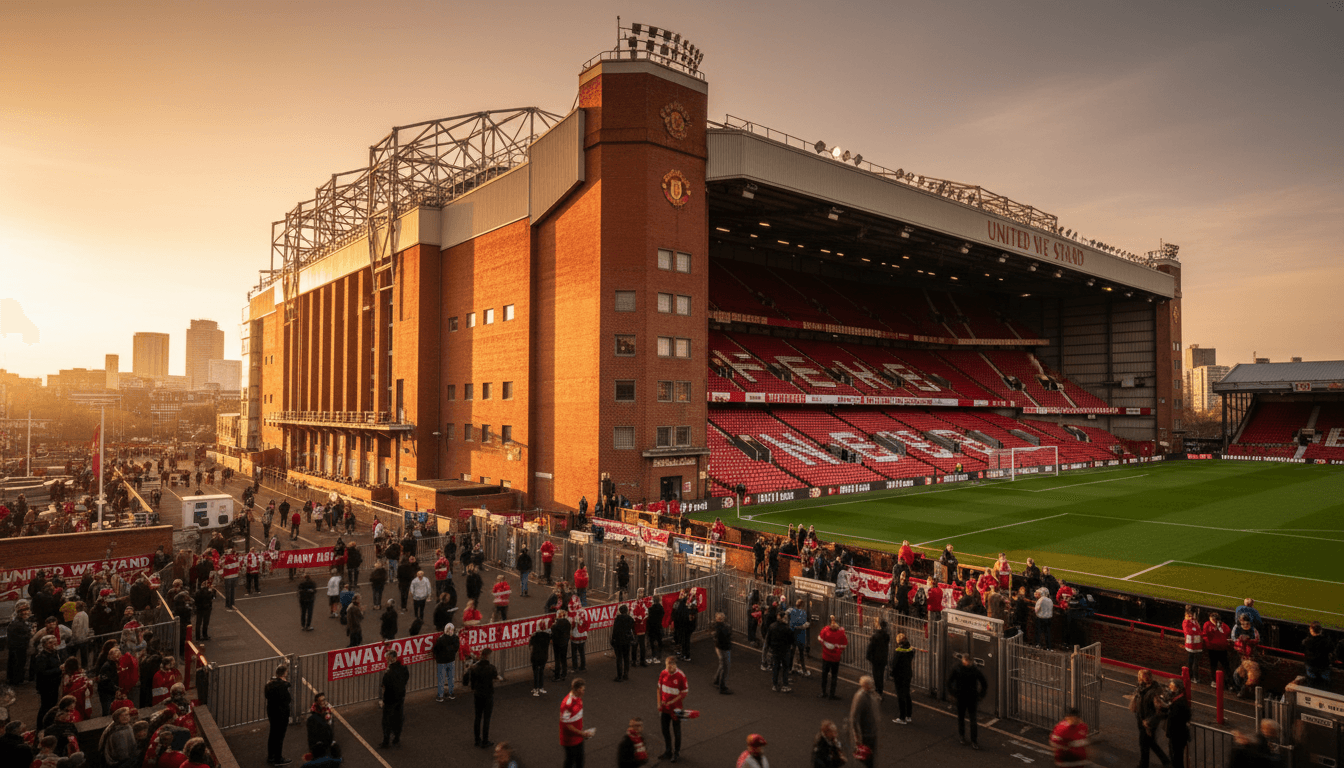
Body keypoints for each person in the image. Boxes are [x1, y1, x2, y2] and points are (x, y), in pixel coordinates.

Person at [947, 653, 988, 749]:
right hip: (971, 697)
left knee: (963, 718)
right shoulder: (974, 670)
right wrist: (980, 695)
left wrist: (953, 693)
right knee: (971, 719)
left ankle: (963, 737)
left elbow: (949, 681)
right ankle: (973, 740)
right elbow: (984, 684)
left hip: (963, 697)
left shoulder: (958, 669)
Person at [1132, 669, 1169, 768]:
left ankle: (1146, 764)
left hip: (1148, 722)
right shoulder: (1142, 687)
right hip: (1142, 720)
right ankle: (1163, 762)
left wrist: (1150, 721)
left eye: (1140, 677)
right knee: (1148, 743)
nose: (1138, 678)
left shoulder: (1155, 691)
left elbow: (1160, 710)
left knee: (1146, 744)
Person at [656, 655, 688, 762]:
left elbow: (684, 693)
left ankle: (676, 752)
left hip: (676, 709)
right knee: (665, 730)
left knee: (676, 731)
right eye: (667, 667)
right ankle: (668, 751)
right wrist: (659, 702)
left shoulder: (681, 676)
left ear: (675, 665)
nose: (669, 669)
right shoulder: (663, 673)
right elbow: (658, 688)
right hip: (665, 709)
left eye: (671, 667)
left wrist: (672, 702)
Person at [559, 677, 596, 768]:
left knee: (580, 761)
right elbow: (567, 725)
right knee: (570, 761)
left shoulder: (579, 698)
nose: (584, 692)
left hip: (579, 736)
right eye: (582, 690)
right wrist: (582, 733)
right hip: (569, 740)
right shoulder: (567, 704)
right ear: (577, 689)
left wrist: (582, 733)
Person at [466, 648, 497, 749]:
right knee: (486, 719)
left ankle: (477, 739)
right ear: (487, 656)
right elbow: (495, 676)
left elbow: (470, 682)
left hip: (478, 694)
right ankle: (485, 740)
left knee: (477, 717)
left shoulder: (474, 668)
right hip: (488, 695)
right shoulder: (491, 668)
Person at [378, 650, 409, 748]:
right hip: (400, 697)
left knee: (386, 720)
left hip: (390, 699)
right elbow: (406, 679)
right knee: (398, 717)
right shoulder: (403, 668)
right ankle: (396, 738)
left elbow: (384, 687)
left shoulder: (388, 673)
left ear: (390, 658)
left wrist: (382, 700)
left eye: (387, 658)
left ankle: (386, 741)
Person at [264, 665, 293, 765]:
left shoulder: (269, 685)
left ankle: (271, 756)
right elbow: (287, 700)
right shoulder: (283, 686)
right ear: (284, 673)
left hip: (272, 712)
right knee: (279, 736)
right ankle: (278, 758)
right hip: (281, 713)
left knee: (272, 735)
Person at [849, 675, 879, 767]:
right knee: (867, 757)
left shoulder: (871, 694)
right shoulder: (860, 697)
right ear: (865, 685)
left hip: (872, 731)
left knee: (870, 756)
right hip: (865, 733)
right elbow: (854, 717)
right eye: (870, 684)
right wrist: (857, 736)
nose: (872, 686)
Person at [33, 634, 64, 725]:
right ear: (44, 645)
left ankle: (49, 723)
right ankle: (41, 725)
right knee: (46, 706)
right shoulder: (41, 657)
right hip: (46, 686)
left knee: (52, 705)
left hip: (54, 684)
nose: (53, 644)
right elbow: (43, 673)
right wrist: (59, 669)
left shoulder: (55, 654)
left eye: (54, 642)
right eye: (50, 643)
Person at [1163, 679, 1191, 768]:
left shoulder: (1180, 702)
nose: (1170, 688)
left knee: (1176, 758)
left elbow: (1184, 716)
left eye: (1172, 686)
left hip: (1177, 735)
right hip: (1176, 734)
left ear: (1177, 688)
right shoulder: (1178, 701)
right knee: (1175, 757)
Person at [767, 606, 794, 693]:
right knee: (785, 668)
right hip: (785, 650)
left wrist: (770, 648)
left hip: (775, 649)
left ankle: (775, 684)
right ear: (783, 618)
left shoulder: (772, 626)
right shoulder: (787, 628)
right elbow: (791, 640)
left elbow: (768, 639)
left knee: (776, 667)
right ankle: (785, 685)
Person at [890, 632, 915, 724]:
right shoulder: (910, 649)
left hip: (899, 676)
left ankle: (902, 717)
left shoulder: (898, 651)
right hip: (908, 674)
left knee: (901, 696)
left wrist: (892, 673)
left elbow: (894, 664)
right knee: (907, 694)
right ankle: (909, 715)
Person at [6, 601, 33, 684]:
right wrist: (30, 634)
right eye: (25, 609)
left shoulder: (15, 620)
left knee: (14, 662)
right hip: (18, 646)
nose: (27, 611)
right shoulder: (18, 622)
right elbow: (19, 635)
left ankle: (13, 679)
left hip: (14, 646)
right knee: (18, 663)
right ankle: (17, 680)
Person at [1202, 612, 1233, 685]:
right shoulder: (1208, 624)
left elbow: (1227, 633)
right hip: (1213, 649)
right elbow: (1205, 635)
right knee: (1214, 666)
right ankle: (1214, 681)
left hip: (1220, 649)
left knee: (1225, 666)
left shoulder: (1222, 626)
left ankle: (1229, 683)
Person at [432, 624, 459, 702]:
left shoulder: (441, 639)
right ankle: (451, 693)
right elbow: (456, 648)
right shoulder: (455, 638)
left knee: (441, 679)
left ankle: (440, 696)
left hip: (441, 662)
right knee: (451, 678)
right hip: (451, 660)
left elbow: (435, 649)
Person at [1303, 621, 1334, 688]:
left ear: (1311, 630)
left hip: (1311, 664)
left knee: (1311, 682)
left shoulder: (1307, 641)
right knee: (1325, 683)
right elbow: (1332, 649)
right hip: (1324, 665)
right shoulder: (1326, 641)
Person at [305, 692, 335, 759]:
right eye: (321, 701)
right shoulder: (313, 710)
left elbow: (329, 713)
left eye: (324, 699)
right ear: (317, 702)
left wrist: (328, 715)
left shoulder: (327, 706)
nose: (324, 702)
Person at [866, 617, 890, 699]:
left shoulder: (875, 636)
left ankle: (877, 692)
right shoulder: (886, 636)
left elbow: (870, 647)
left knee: (876, 676)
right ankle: (880, 691)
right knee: (881, 675)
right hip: (883, 659)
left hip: (875, 659)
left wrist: (868, 657)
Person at [710, 611, 733, 695]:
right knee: (725, 667)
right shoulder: (724, 628)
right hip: (724, 648)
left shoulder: (715, 626)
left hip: (719, 647)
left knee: (722, 664)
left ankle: (716, 680)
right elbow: (727, 636)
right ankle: (722, 687)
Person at [612, 604, 635, 683]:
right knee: (626, 658)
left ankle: (619, 676)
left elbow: (615, 630)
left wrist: (613, 639)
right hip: (627, 640)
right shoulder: (630, 619)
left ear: (620, 611)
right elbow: (632, 628)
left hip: (619, 641)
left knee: (619, 658)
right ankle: (626, 674)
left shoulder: (617, 619)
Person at [1180, 606, 1203, 684]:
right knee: (1191, 662)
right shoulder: (1186, 622)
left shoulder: (1195, 621)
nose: (1190, 616)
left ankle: (1194, 677)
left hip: (1197, 644)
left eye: (1191, 614)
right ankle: (1191, 677)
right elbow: (1188, 632)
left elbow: (1198, 631)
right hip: (1191, 645)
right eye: (1188, 615)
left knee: (1194, 662)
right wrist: (1197, 632)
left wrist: (1197, 632)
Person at [530, 623, 552, 696]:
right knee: (541, 672)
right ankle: (541, 687)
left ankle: (535, 688)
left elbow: (530, 644)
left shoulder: (535, 635)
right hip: (543, 656)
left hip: (535, 656)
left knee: (535, 672)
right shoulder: (547, 636)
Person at [552, 609, 572, 681]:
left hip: (557, 644)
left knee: (557, 660)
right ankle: (564, 673)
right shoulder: (567, 623)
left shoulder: (555, 625)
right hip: (565, 643)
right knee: (564, 659)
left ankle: (557, 676)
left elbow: (553, 634)